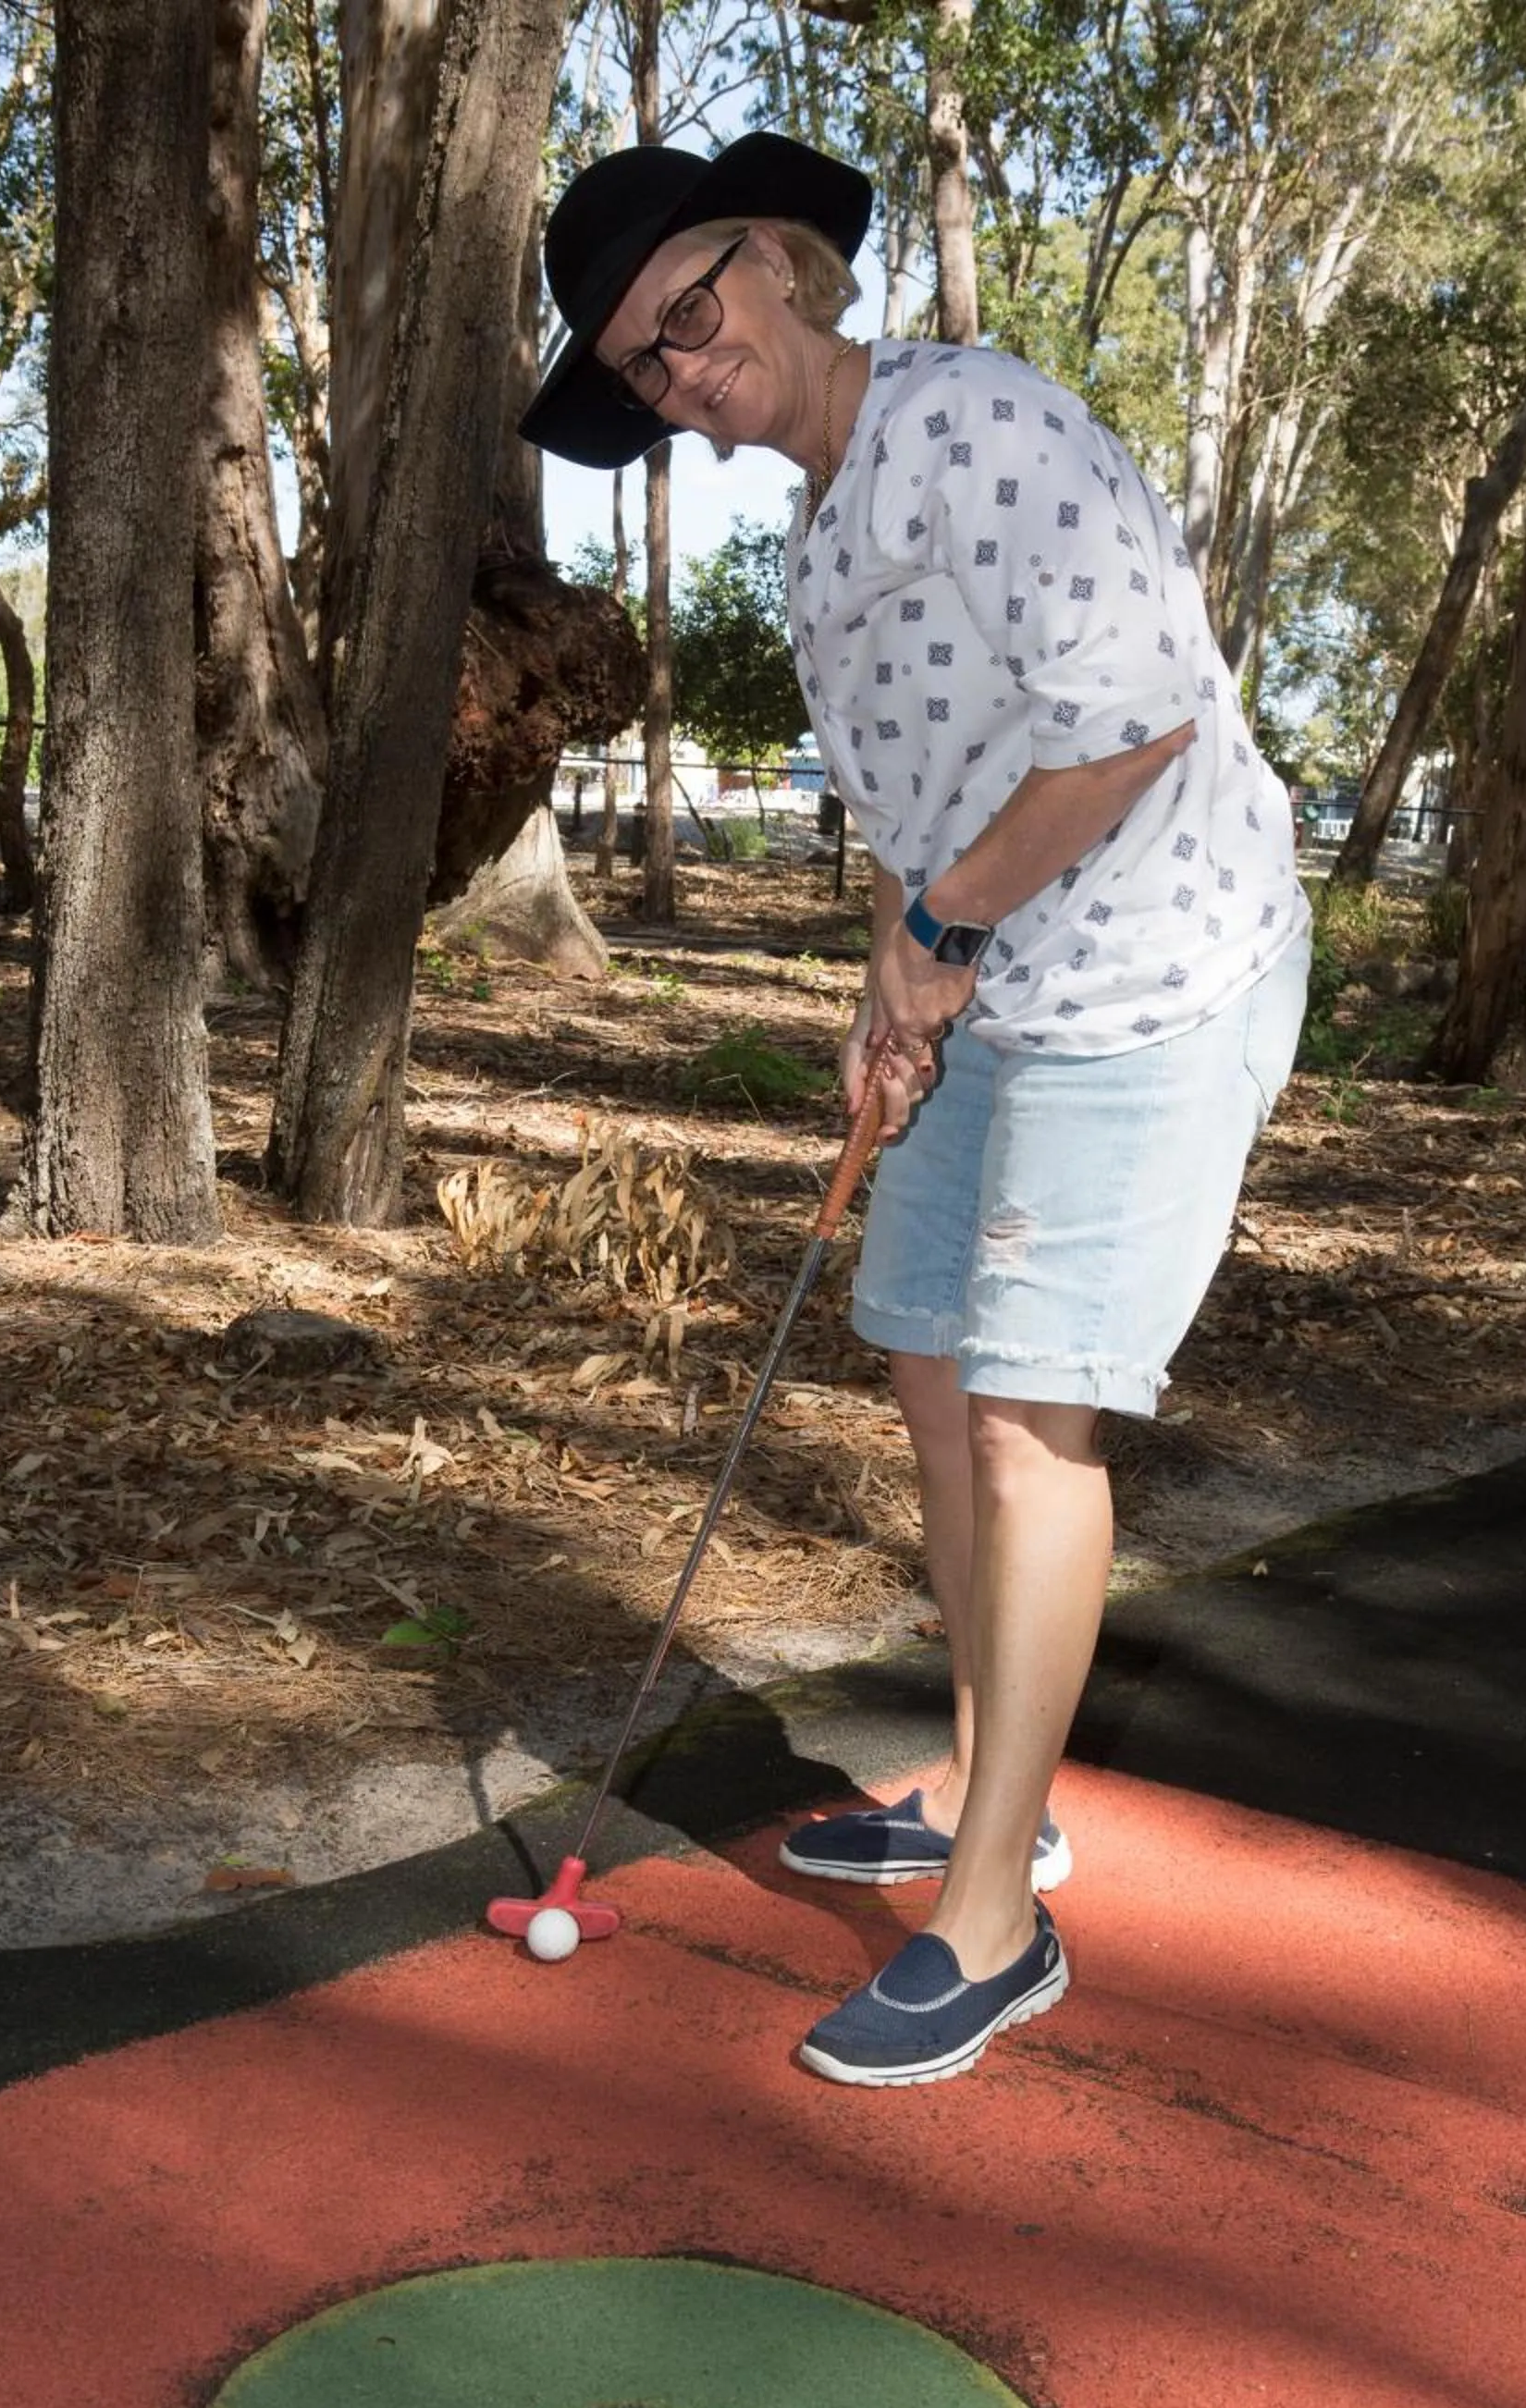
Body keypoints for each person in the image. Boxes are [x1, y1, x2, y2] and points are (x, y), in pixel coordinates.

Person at [523, 132, 1310, 2089]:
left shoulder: (972, 421)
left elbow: (1131, 717)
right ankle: (994, 1791)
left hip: (1152, 970)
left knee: (1039, 1415)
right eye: (642, 365)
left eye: (687, 318)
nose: (680, 372)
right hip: (986, 982)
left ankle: (991, 1926)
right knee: (932, 1375)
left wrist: (946, 925)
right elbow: (896, 817)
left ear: (778, 264)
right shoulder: (808, 544)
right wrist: (897, 993)